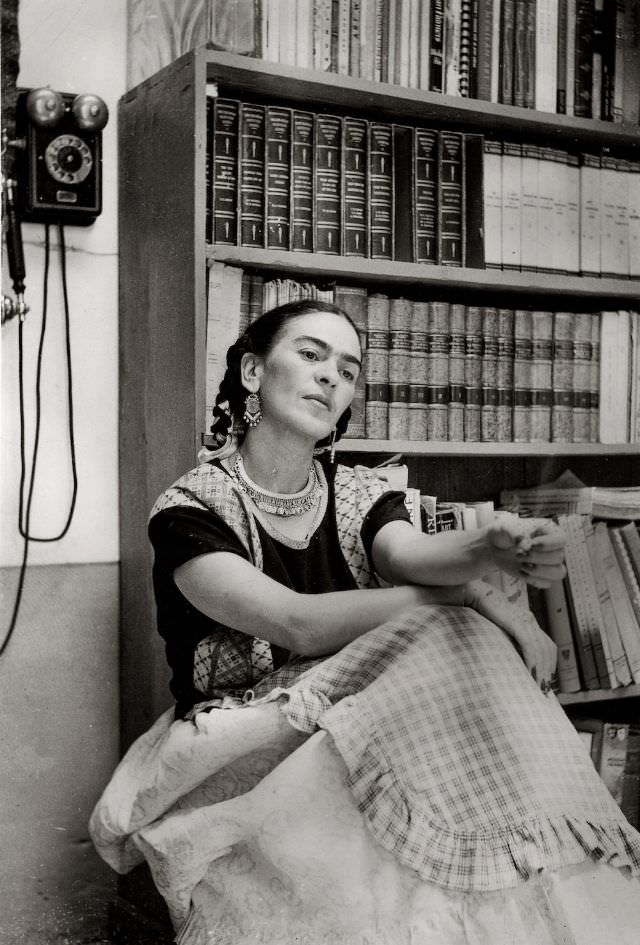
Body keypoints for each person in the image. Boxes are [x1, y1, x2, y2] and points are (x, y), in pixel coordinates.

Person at [90, 299, 640, 945]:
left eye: (348, 370)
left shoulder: (356, 492)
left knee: (457, 640)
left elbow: (409, 555)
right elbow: (297, 624)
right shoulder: (189, 510)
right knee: (450, 628)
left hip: (356, 715)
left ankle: (534, 875)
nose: (331, 377)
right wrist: (473, 593)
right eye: (311, 354)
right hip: (242, 736)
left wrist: (491, 546)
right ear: (250, 371)